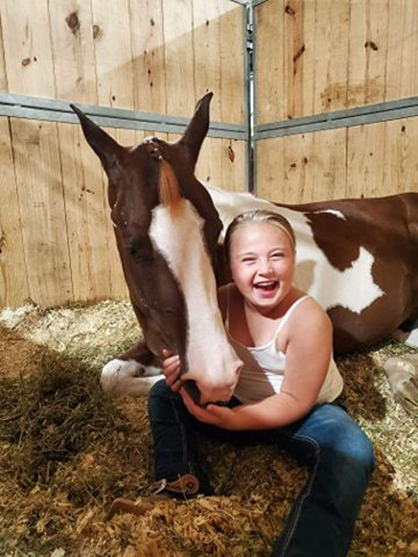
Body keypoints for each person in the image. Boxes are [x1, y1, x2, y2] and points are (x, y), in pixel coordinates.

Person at [147, 210, 374, 557]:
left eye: (277, 256)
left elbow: (296, 399)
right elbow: (193, 356)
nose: (264, 269)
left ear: (294, 259)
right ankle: (181, 480)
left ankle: (306, 549)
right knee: (164, 394)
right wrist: (180, 369)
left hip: (307, 410)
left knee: (354, 451)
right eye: (248, 259)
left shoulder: (308, 318)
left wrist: (235, 421)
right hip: (238, 398)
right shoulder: (217, 303)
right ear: (230, 266)